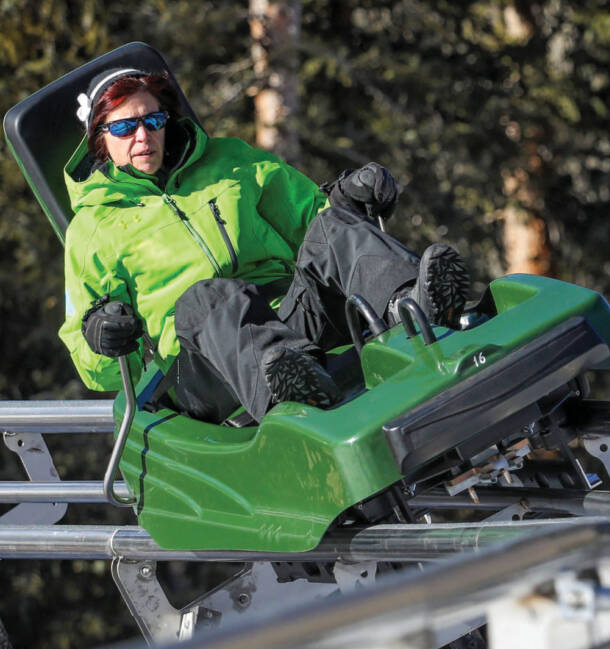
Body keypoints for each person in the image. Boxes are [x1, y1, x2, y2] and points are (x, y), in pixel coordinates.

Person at [60, 68, 469, 423]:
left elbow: (313, 219)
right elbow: (97, 370)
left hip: (290, 321)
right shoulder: (92, 228)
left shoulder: (229, 161)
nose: (142, 135)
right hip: (205, 365)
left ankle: (412, 306)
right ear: (101, 139)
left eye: (153, 120)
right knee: (207, 296)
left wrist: (349, 197)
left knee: (332, 228)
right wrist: (102, 337)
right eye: (124, 127)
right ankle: (293, 388)